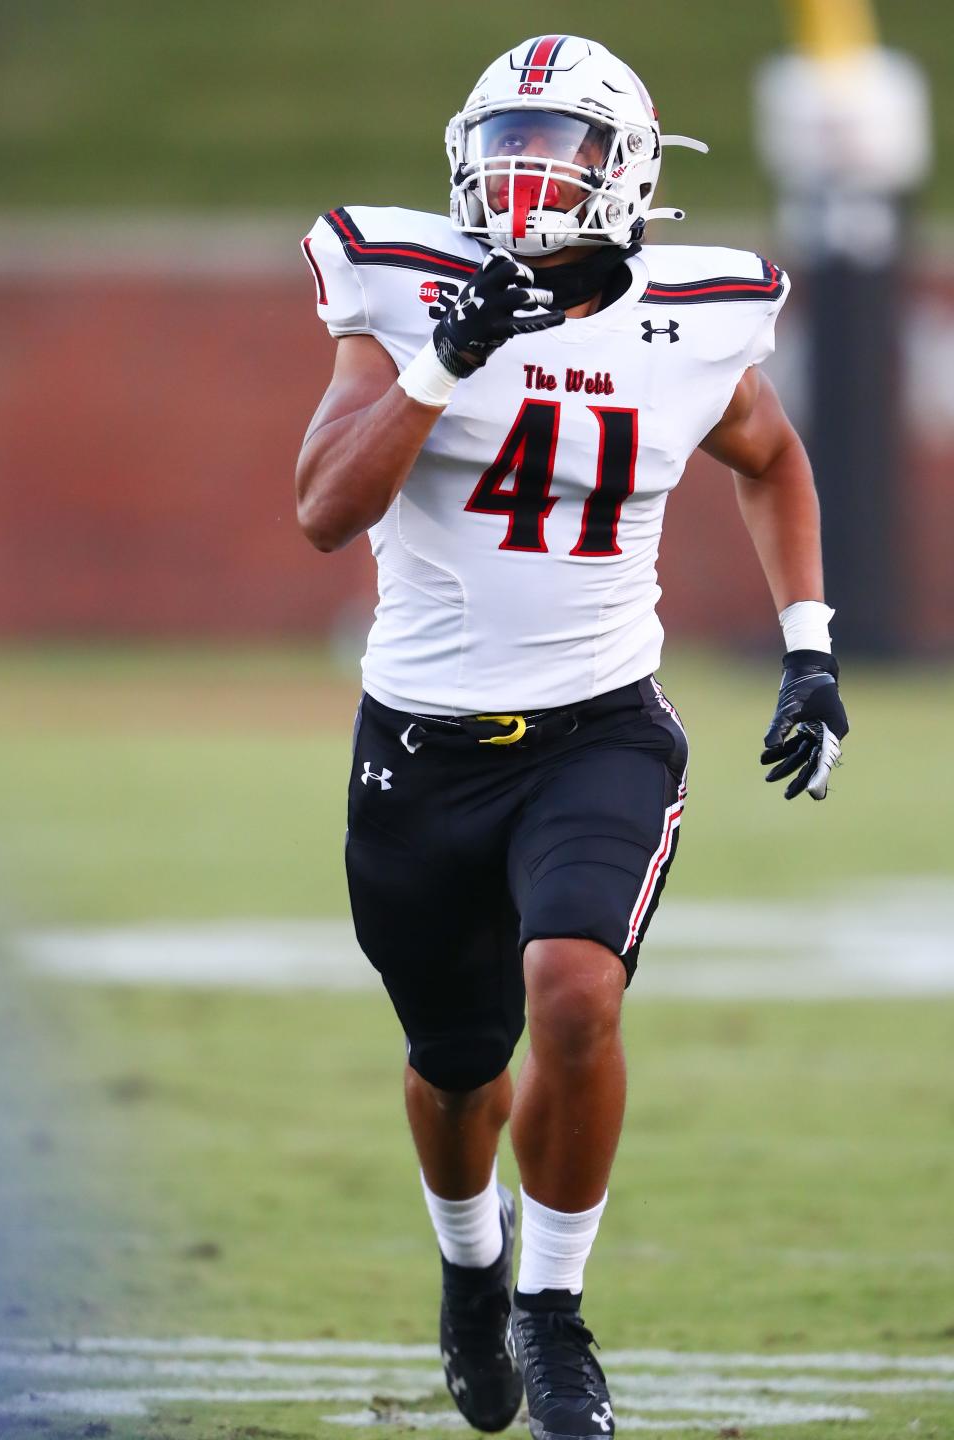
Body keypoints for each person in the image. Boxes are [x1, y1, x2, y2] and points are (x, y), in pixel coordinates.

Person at [296, 34, 849, 1440]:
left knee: (576, 993)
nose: (529, 175)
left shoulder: (697, 312)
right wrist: (444, 360)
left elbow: (772, 454)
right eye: (508, 144)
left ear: (634, 172)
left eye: (564, 148)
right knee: (456, 1066)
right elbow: (322, 506)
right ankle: (471, 1270)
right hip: (419, 747)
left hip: (598, 726)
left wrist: (810, 645)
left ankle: (551, 1311)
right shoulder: (408, 287)